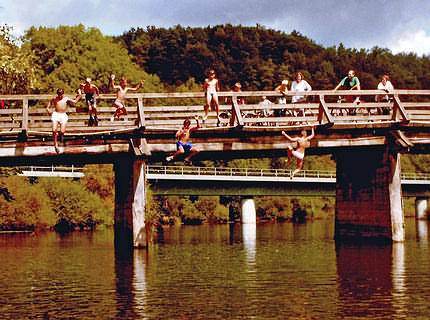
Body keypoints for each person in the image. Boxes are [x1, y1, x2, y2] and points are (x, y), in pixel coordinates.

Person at [46, 88, 80, 152]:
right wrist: (48, 109)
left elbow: (75, 101)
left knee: (62, 131)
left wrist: (79, 94)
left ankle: (61, 136)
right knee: (54, 130)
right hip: (56, 114)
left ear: (63, 94)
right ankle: (55, 144)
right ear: (57, 94)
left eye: (61, 94)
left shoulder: (66, 99)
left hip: (63, 115)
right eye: (59, 94)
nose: (60, 96)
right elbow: (50, 103)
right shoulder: (54, 99)